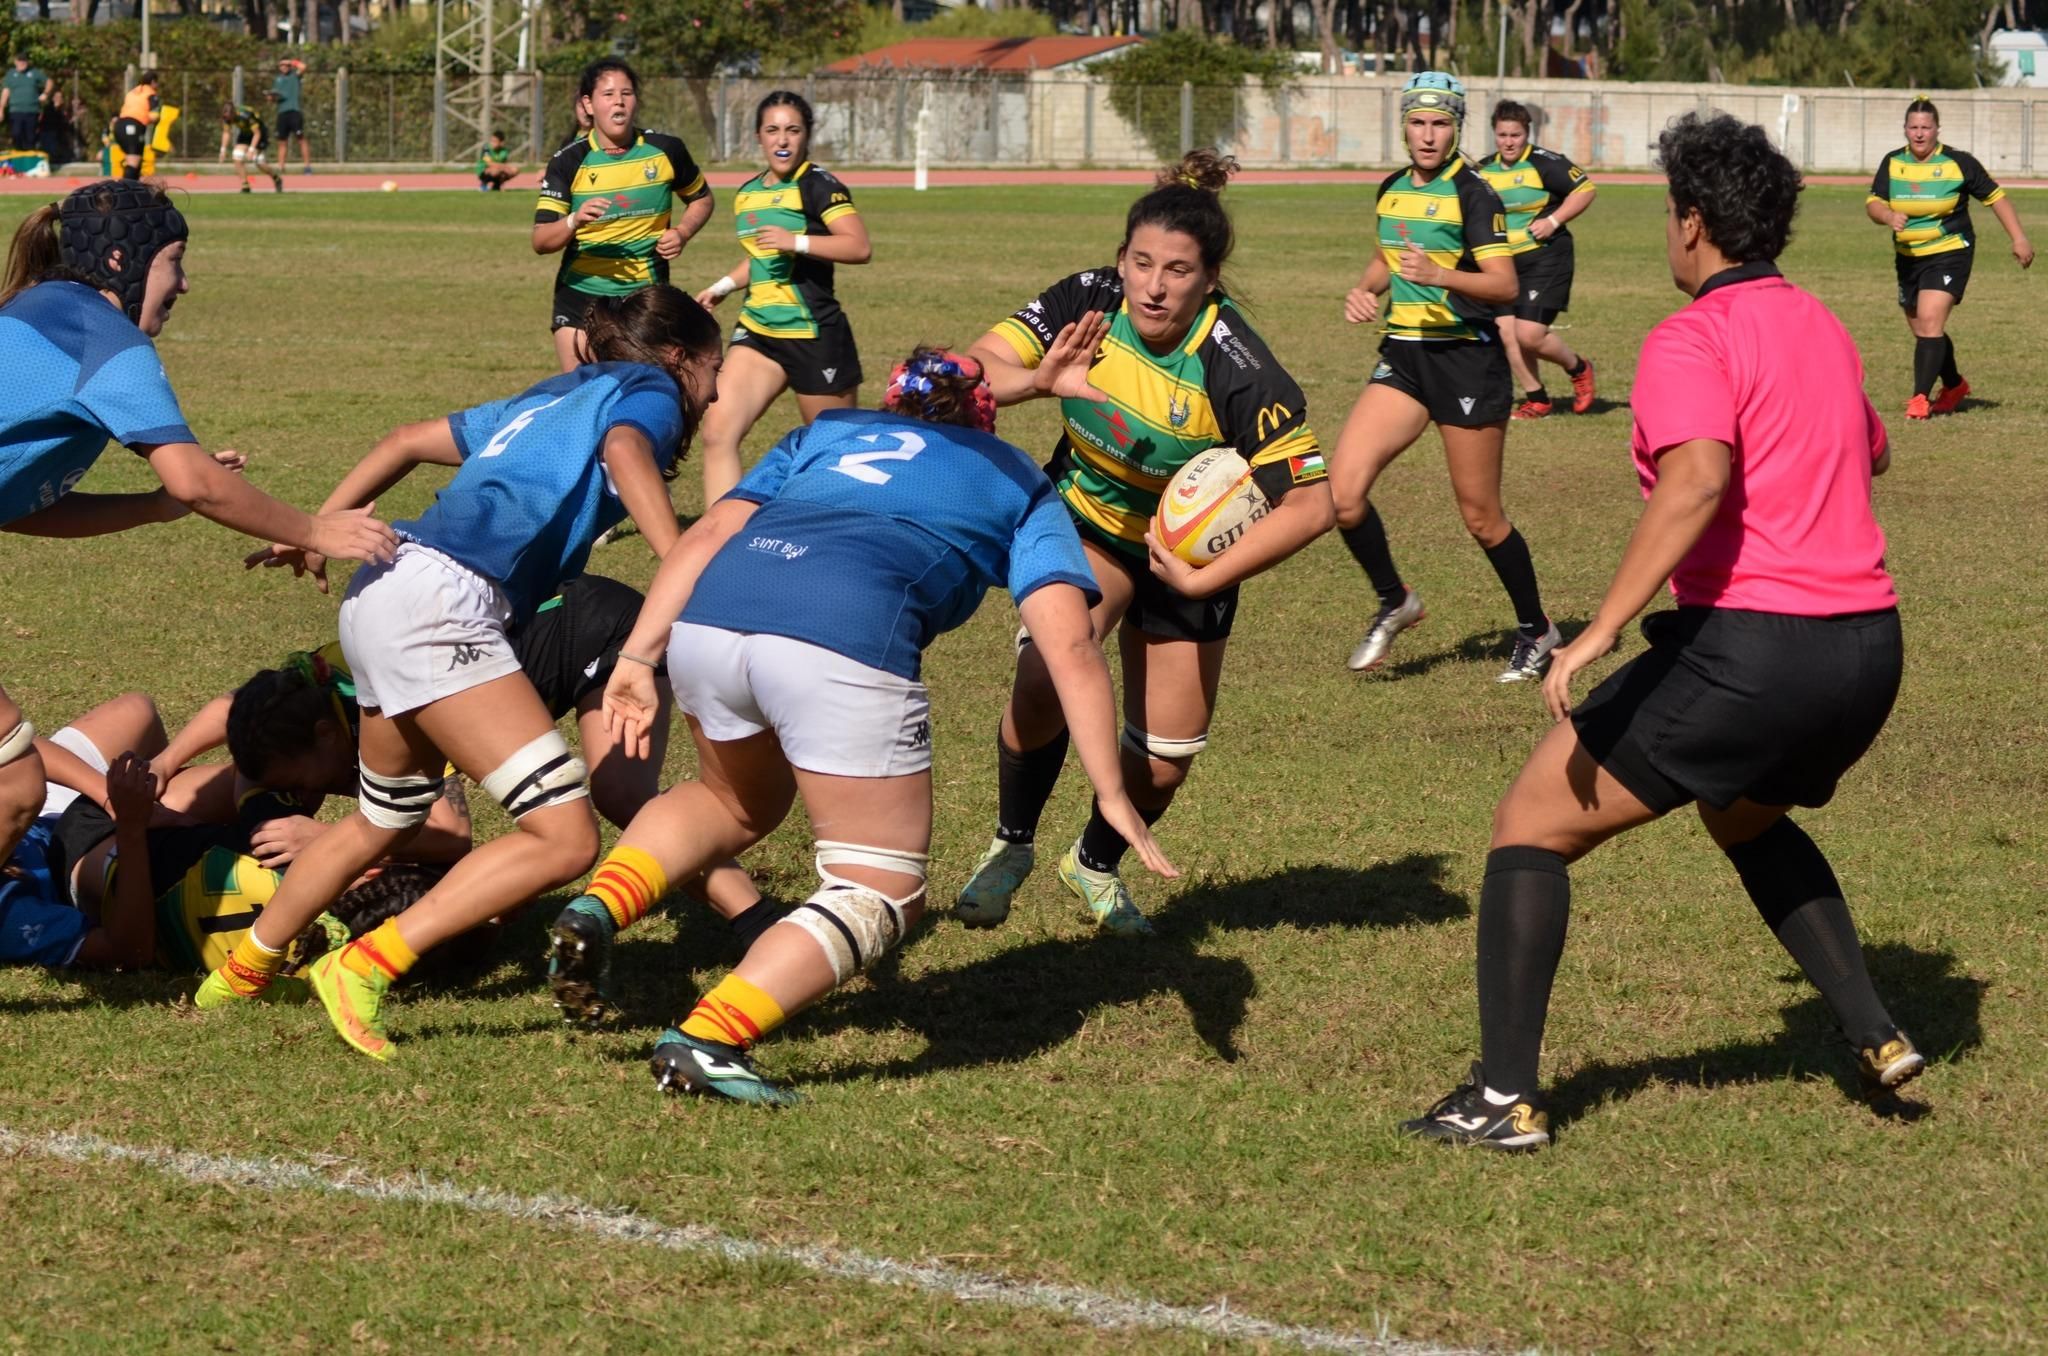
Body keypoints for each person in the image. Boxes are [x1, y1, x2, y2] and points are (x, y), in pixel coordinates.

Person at [1405, 113, 1918, 1153]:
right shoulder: (1818, 322)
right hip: (1865, 647)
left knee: (1529, 825)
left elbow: (1693, 480)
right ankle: (1874, 1030)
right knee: (1745, 818)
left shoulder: (1691, 335)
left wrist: (1597, 630)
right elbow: (1869, 454)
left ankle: (1503, 1097)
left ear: (1690, 222)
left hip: (1756, 649)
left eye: (1667, 213)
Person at [547, 348, 1175, 1103]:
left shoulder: (829, 431)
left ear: (893, 406)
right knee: (881, 889)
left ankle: (597, 907)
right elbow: (1068, 641)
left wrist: (638, 656)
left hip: (712, 622)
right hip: (841, 636)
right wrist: (1108, 787)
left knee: (731, 802)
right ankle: (708, 1037)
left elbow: (708, 535)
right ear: (984, 420)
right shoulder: (1016, 476)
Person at [196, 286, 723, 1066]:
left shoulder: (556, 393)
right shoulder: (647, 390)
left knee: (384, 820)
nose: (715, 388)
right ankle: (363, 965)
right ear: (679, 358)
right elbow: (622, 450)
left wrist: (320, 527)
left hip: (380, 587)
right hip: (441, 602)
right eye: (715, 366)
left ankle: (241, 971)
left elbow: (404, 438)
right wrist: (679, 555)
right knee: (565, 835)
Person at [952, 151, 1332, 937]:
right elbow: (973, 367)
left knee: (1166, 755)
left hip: (1192, 556)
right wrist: (1038, 380)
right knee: (1051, 666)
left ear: (1210, 279)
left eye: (1180, 271)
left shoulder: (1236, 364)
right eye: (1142, 263)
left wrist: (1201, 580)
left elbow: (1314, 504)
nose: (1155, 287)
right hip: (1089, 516)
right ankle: (1010, 845)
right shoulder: (1088, 301)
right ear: (1121, 259)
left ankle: (1092, 862)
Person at [0, 181, 396, 783]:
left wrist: (153, 508)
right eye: (174, 261)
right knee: (14, 784)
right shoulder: (104, 338)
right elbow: (197, 482)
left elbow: (18, 505)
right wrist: (315, 530)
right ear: (119, 260)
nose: (183, 284)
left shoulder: (45, 308)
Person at [1329, 71, 1557, 683]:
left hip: (1467, 360)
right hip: (1405, 357)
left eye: (1440, 124)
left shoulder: (1475, 193)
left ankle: (1537, 630)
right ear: (1403, 124)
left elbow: (1504, 285)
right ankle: (1394, 599)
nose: (1428, 135)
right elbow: (1387, 254)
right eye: (1418, 122)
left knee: (1481, 516)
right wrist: (1364, 288)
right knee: (1342, 495)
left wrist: (1440, 275)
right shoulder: (1392, 187)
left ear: (1457, 127)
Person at [692, 91, 871, 504]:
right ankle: (720, 543)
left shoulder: (819, 186)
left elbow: (858, 246)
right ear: (758, 136)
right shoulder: (748, 193)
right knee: (718, 431)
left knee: (833, 454)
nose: (782, 140)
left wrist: (798, 241)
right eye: (772, 130)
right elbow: (759, 257)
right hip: (759, 330)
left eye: (793, 129)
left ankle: (845, 542)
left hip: (813, 334)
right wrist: (722, 286)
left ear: (806, 136)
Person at [535, 58, 714, 375]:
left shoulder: (666, 150)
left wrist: (683, 232)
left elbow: (701, 199)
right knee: (582, 397)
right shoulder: (568, 161)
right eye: (608, 94)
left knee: (640, 396)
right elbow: (541, 239)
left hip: (646, 298)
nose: (618, 101)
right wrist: (573, 220)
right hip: (581, 296)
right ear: (588, 104)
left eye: (626, 93)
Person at [1866, 96, 2033, 420]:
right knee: (1924, 329)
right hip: (1908, 256)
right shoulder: (1892, 162)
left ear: (1937, 129)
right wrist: (1887, 216)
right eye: (1913, 127)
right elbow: (1873, 203)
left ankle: (1919, 399)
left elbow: (1996, 198)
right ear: (1904, 129)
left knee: (1930, 321)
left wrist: (2019, 238)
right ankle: (1955, 385)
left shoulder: (1959, 162)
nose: (1919, 133)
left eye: (1925, 127)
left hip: (1950, 251)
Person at [1474, 99, 1597, 420]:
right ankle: (1537, 399)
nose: (1509, 142)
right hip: (1503, 265)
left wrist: (1553, 221)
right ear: (1494, 135)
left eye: (1515, 135)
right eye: (1502, 135)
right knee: (1505, 333)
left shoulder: (1545, 163)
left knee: (1529, 334)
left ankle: (1579, 368)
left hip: (1545, 258)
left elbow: (1585, 190)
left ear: (1527, 133)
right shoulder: (1483, 171)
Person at [218, 101, 283, 195]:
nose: (228, 120)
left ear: (234, 113)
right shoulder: (227, 117)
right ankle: (245, 186)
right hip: (246, 133)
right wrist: (223, 150)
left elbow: (257, 133)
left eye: (229, 118)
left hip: (259, 134)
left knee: (258, 161)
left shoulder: (246, 115)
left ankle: (276, 178)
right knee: (237, 155)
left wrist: (251, 150)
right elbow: (226, 133)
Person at [110, 70, 160, 181]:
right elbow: (154, 115)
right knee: (134, 162)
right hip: (132, 126)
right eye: (157, 83)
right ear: (153, 82)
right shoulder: (151, 94)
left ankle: (132, 189)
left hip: (119, 125)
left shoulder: (133, 92)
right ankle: (124, 191)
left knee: (135, 161)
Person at [268, 58, 311, 176]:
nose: (284, 67)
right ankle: (281, 167)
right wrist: (271, 98)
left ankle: (307, 166)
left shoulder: (295, 76)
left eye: (286, 65)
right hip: (282, 112)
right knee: (282, 141)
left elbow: (303, 67)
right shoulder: (277, 79)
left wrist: (292, 61)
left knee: (300, 139)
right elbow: (274, 96)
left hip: (294, 111)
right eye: (281, 65)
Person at [2, 54, 51, 152]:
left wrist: (45, 93)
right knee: (16, 133)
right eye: (20, 61)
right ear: (15, 62)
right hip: (16, 110)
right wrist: (1, 108)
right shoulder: (10, 74)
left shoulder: (35, 73)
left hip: (32, 110)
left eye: (24, 61)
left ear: (27, 62)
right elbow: (5, 91)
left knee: (30, 136)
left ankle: (30, 159)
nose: (22, 63)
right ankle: (18, 153)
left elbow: (49, 82)